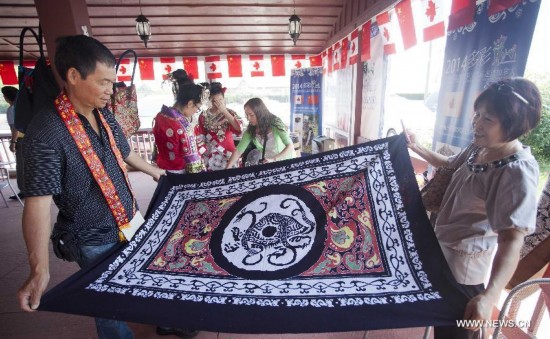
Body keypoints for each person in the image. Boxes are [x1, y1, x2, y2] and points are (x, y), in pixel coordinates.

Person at [16, 35, 166, 339]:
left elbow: (125, 153)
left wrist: (158, 174)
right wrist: (39, 269)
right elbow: (38, 204)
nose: (111, 90)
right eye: (104, 82)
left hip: (129, 220)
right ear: (73, 76)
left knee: (136, 281)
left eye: (112, 82)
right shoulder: (44, 133)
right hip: (91, 236)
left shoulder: (104, 114)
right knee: (107, 305)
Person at [406, 78, 542, 338]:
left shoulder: (516, 171)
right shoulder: (480, 147)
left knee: (459, 332)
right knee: (443, 329)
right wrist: (414, 146)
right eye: (477, 115)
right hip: (442, 255)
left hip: (466, 273)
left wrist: (489, 297)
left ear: (514, 125)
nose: (477, 124)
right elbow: (448, 162)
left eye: (488, 119)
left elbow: (512, 240)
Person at [153, 69, 206, 174]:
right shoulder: (183, 125)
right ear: (190, 103)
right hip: (179, 172)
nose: (196, 111)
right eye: (198, 108)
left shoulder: (160, 116)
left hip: (161, 169)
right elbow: (193, 163)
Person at [226, 97, 295, 168]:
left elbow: (290, 146)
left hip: (286, 162)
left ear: (260, 113)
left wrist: (274, 159)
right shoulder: (251, 129)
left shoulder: (276, 123)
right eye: (247, 115)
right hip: (269, 163)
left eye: (251, 115)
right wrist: (227, 168)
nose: (248, 118)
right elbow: (238, 151)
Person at [198, 82, 242, 171]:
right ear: (209, 100)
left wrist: (225, 112)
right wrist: (201, 153)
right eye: (214, 100)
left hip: (228, 152)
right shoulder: (203, 115)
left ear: (224, 99)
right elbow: (201, 136)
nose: (218, 103)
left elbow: (239, 129)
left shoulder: (231, 113)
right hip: (210, 153)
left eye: (220, 100)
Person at [2, 86, 24, 200]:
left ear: (7, 97)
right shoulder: (24, 107)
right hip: (32, 139)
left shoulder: (12, 109)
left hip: (21, 140)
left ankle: (23, 191)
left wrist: (13, 142)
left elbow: (15, 127)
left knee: (21, 166)